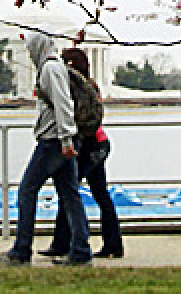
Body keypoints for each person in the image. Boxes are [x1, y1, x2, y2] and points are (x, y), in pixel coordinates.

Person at [0, 32, 91, 266]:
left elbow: (63, 105)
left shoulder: (50, 69)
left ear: (39, 47)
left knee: (27, 191)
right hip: (60, 141)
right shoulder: (53, 68)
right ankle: (80, 251)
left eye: (30, 49)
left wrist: (66, 140)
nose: (29, 54)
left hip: (54, 142)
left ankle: (21, 250)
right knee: (70, 196)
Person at [43, 47, 124, 259]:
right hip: (99, 143)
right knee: (97, 194)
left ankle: (65, 243)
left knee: (69, 191)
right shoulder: (90, 85)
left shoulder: (77, 87)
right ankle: (112, 244)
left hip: (90, 145)